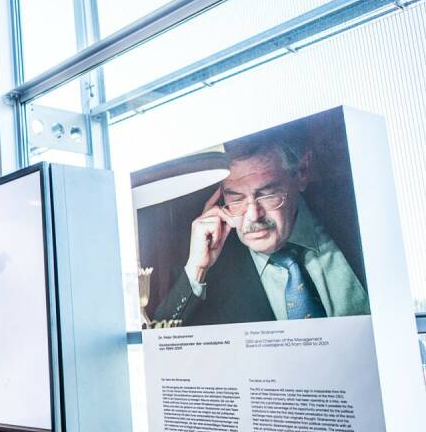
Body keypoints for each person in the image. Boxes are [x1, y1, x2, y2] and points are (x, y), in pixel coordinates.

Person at [152, 130, 370, 326]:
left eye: (267, 194)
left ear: (301, 172)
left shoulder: (357, 210)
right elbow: (158, 341)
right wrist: (197, 269)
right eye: (236, 198)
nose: (253, 215)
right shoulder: (207, 267)